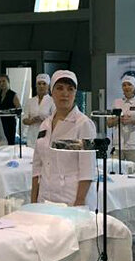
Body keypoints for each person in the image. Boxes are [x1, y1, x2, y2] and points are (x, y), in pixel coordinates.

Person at [31, 70, 95, 207]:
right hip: (45, 198)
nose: (65, 93)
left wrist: (79, 202)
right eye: (60, 88)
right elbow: (37, 166)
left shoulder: (84, 124)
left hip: (71, 199)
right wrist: (33, 201)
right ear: (52, 92)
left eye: (70, 89)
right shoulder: (45, 124)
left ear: (75, 93)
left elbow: (87, 169)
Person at [108, 75, 135, 164]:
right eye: (124, 85)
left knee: (133, 170)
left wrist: (133, 121)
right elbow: (109, 124)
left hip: (133, 146)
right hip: (117, 145)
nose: (126, 87)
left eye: (129, 84)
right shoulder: (116, 102)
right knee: (115, 170)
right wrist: (118, 119)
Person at [21, 73, 52, 147]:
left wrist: (43, 119)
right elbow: (24, 119)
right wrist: (31, 121)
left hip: (47, 136)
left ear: (48, 86)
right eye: (39, 84)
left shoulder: (52, 101)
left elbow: (56, 119)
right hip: (32, 137)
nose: (41, 86)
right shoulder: (30, 101)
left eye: (44, 84)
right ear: (36, 85)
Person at [0, 73, 21, 146]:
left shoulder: (13, 94)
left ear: (8, 82)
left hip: (10, 122)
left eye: (3, 81)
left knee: (10, 141)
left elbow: (19, 109)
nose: (2, 83)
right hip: (0, 121)